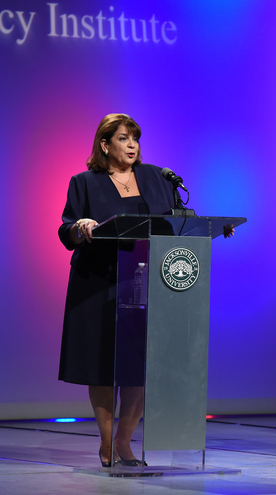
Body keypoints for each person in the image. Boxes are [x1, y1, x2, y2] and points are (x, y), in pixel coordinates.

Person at [58, 114, 180, 468]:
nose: (132, 146)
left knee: (139, 364)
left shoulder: (157, 178)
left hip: (144, 280)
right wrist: (80, 227)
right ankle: (108, 440)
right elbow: (67, 227)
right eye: (124, 138)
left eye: (135, 139)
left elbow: (177, 222)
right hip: (98, 280)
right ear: (105, 144)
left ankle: (125, 440)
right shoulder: (84, 182)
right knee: (102, 363)